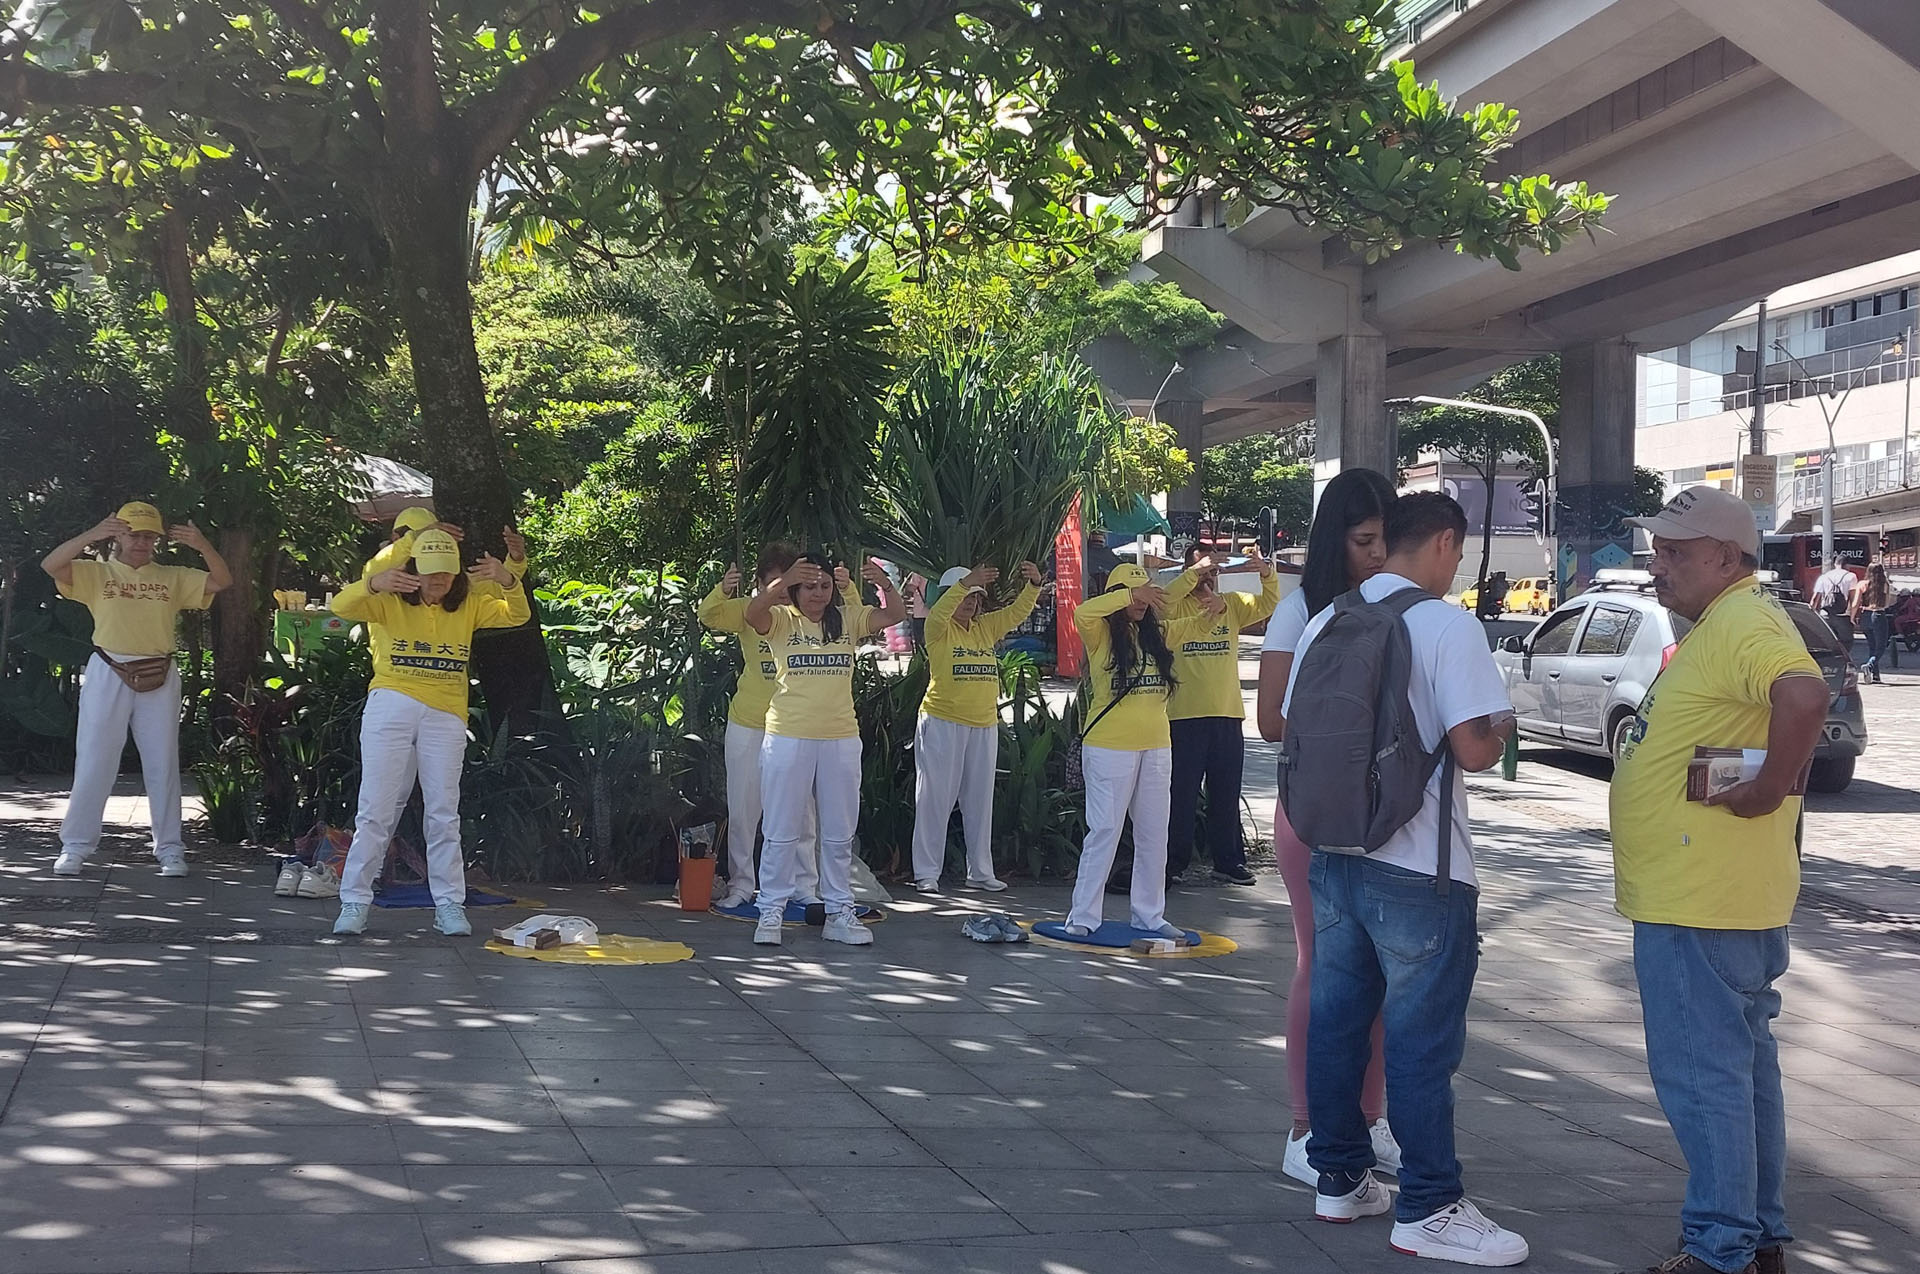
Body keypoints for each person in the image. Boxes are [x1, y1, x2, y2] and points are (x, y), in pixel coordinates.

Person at [1283, 492, 1526, 1267]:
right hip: (1421, 869)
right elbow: (1476, 751)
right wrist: (1500, 722)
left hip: (1334, 854)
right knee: (1422, 1044)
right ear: (1445, 542)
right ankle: (1429, 1206)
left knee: (1338, 1024)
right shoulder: (1446, 625)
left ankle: (1339, 1179)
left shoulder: (1327, 619)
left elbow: (1291, 729)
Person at [1609, 487, 1828, 1274]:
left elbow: (1805, 695)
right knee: (1740, 1074)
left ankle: (1719, 1246)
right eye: (1658, 549)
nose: (1658, 564)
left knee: (1704, 1079)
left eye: (1676, 551)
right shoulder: (1729, 622)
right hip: (1719, 895)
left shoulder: (1741, 621)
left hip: (1700, 900)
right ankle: (1755, 1237)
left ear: (1727, 557)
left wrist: (1768, 787)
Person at [1254, 467, 1399, 1188]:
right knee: (1322, 966)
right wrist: (1351, 726)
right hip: (1313, 809)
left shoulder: (1400, 608)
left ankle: (1368, 1123)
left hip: (1382, 815)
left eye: (1384, 540)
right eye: (1362, 540)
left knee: (1378, 974)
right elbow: (1269, 720)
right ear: (1331, 540)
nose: (1376, 554)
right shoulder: (1300, 610)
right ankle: (1305, 1127)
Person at [328, 529, 530, 937]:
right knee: (375, 809)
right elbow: (341, 605)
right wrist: (374, 582)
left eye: (447, 572)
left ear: (456, 573)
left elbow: (516, 614)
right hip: (391, 702)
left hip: (446, 713)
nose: (439, 580)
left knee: (443, 813)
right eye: (430, 571)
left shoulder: (469, 601)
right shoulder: (389, 598)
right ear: (414, 570)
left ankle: (449, 905)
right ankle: (354, 901)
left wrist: (510, 577)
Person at [42, 503, 232, 878]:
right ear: (119, 535)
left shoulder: (173, 576)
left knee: (163, 763)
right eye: (134, 534)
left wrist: (203, 545)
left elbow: (221, 581)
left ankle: (170, 849)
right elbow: (52, 565)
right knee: (94, 760)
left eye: (149, 536)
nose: (142, 542)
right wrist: (93, 534)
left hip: (158, 672)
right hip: (108, 668)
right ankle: (75, 846)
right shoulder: (96, 573)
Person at [744, 554, 905, 947]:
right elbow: (752, 613)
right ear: (796, 589)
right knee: (781, 829)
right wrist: (782, 582)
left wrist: (884, 583)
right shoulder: (782, 619)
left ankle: (838, 912)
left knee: (838, 833)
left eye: (824, 586)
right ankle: (770, 911)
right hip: (788, 736)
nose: (817, 593)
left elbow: (895, 614)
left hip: (840, 738)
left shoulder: (847, 619)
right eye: (809, 586)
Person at [1065, 559, 1215, 938]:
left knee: (1154, 833)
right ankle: (1083, 916)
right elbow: (1082, 611)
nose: (1141, 602)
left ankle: (1149, 915)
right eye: (1134, 595)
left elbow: (1198, 625)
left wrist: (1217, 609)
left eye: (1146, 595)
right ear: (1117, 596)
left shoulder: (1158, 635)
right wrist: (1130, 594)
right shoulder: (1099, 633)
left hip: (1157, 747)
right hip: (1109, 747)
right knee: (1104, 830)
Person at [698, 545, 854, 908]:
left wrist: (847, 587)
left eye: (791, 583)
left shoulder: (814, 616)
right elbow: (709, 615)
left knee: (803, 813)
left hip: (796, 729)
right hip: (750, 723)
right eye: (776, 583)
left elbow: (855, 620)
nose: (784, 591)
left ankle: (804, 887)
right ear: (760, 583)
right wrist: (723, 589)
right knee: (744, 810)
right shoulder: (752, 610)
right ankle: (741, 884)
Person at [910, 561, 1044, 893]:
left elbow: (1016, 613)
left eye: (975, 597)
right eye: (964, 596)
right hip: (942, 721)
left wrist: (1034, 586)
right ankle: (926, 872)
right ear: (947, 597)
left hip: (984, 724)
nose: (970, 602)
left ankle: (980, 871)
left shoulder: (984, 627)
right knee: (934, 799)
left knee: (979, 802)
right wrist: (966, 582)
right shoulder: (937, 627)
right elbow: (940, 612)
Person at [1164, 545, 1279, 887]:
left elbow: (1269, 603)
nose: (1207, 576)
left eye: (1212, 570)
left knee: (1226, 795)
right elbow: (1163, 602)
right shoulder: (1175, 606)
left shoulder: (1231, 604)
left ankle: (1228, 862)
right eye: (1202, 569)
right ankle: (1172, 863)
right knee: (1181, 795)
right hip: (1184, 716)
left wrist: (1265, 572)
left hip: (1227, 715)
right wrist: (1193, 573)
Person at [1850, 561, 1893, 683]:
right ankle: (1869, 666)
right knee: (1881, 646)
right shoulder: (1885, 585)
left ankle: (1875, 675)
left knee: (1872, 646)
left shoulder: (1862, 584)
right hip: (1878, 615)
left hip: (1865, 615)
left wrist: (1852, 617)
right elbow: (1888, 603)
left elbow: (1855, 603)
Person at [1809, 555, 1857, 653]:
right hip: (1843, 616)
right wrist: (1853, 617)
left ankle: (1831, 659)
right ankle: (1843, 659)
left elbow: (1814, 599)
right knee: (1847, 641)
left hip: (1825, 615)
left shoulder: (1824, 577)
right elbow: (1853, 599)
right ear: (1847, 565)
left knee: (1827, 643)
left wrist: (1813, 616)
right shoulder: (1851, 576)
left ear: (1835, 564)